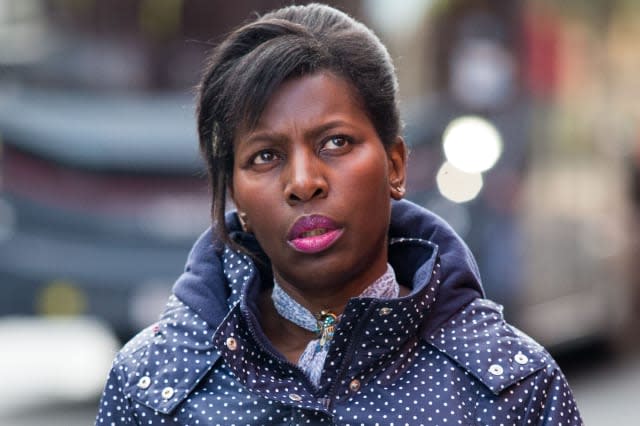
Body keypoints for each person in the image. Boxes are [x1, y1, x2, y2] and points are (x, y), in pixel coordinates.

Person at [95, 3, 582, 425]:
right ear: (235, 197)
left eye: (335, 143)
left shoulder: (512, 388)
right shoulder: (151, 389)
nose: (304, 182)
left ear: (395, 164)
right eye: (265, 156)